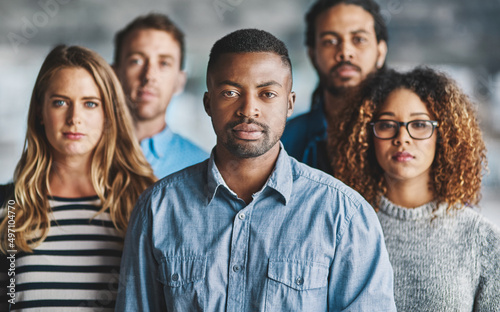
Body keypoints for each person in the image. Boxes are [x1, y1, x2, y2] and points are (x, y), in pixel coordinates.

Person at [116, 28, 396, 311]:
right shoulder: (157, 208)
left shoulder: (343, 215)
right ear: (208, 103)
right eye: (230, 92)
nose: (249, 110)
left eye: (267, 94)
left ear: (289, 104)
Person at [0, 45, 157, 311]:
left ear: (109, 114)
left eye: (90, 104)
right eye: (60, 102)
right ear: (40, 111)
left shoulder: (145, 201)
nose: (74, 119)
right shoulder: (8, 206)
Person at [332, 67, 500, 311]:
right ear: (367, 136)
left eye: (420, 124)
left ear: (443, 134)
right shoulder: (345, 228)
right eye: (387, 124)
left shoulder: (481, 238)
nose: (403, 138)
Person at [281, 0, 388, 173]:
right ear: (312, 54)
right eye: (330, 41)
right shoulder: (282, 142)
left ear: (380, 52)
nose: (345, 52)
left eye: (359, 39)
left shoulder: (409, 135)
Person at [113, 13, 208, 178]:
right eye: (136, 61)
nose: (149, 76)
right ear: (114, 74)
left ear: (180, 81)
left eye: (164, 63)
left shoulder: (204, 170)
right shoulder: (80, 154)